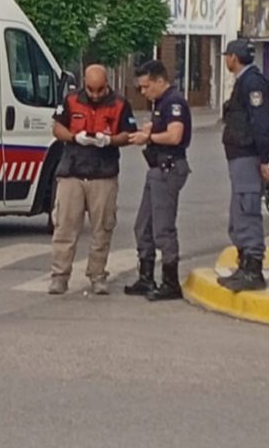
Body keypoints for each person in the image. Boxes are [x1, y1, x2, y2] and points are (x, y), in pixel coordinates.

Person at [48, 64, 137, 296]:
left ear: (107, 83)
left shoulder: (119, 104)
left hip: (103, 174)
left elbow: (129, 135)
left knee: (102, 229)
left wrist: (109, 140)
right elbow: (57, 128)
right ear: (84, 84)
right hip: (72, 173)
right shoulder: (70, 100)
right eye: (91, 89)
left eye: (100, 89)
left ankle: (97, 276)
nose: (95, 95)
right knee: (64, 228)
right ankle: (59, 277)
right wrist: (74, 137)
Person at [123, 60, 192, 302]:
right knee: (143, 225)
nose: (143, 92)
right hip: (157, 169)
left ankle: (171, 282)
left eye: (146, 86)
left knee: (163, 228)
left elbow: (175, 136)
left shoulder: (173, 102)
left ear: (160, 81)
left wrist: (148, 137)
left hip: (168, 168)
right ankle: (146, 276)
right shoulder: (161, 102)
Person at [217, 39, 269, 292]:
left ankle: (253, 269)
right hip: (240, 155)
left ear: (234, 57)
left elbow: (261, 123)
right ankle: (244, 266)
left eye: (227, 56)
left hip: (247, 155)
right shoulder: (245, 81)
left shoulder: (252, 83)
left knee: (247, 208)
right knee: (239, 212)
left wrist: (264, 159)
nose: (226, 60)